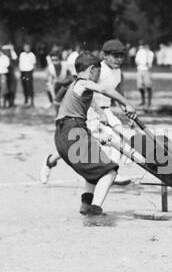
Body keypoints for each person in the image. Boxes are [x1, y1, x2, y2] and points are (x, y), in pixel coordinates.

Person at [52, 53, 141, 216]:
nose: (99, 76)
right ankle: (95, 210)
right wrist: (127, 104)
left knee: (93, 174)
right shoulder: (84, 82)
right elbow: (105, 89)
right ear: (92, 70)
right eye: (98, 72)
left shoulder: (76, 85)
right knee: (110, 171)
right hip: (74, 131)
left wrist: (101, 113)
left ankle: (86, 206)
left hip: (63, 133)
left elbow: (89, 100)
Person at [134, 41, 155, 108]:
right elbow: (136, 60)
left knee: (148, 86)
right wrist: (140, 63)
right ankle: (143, 101)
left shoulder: (150, 53)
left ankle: (149, 102)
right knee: (140, 86)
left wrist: (148, 64)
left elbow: (150, 63)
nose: (146, 47)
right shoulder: (140, 52)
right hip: (140, 69)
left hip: (147, 70)